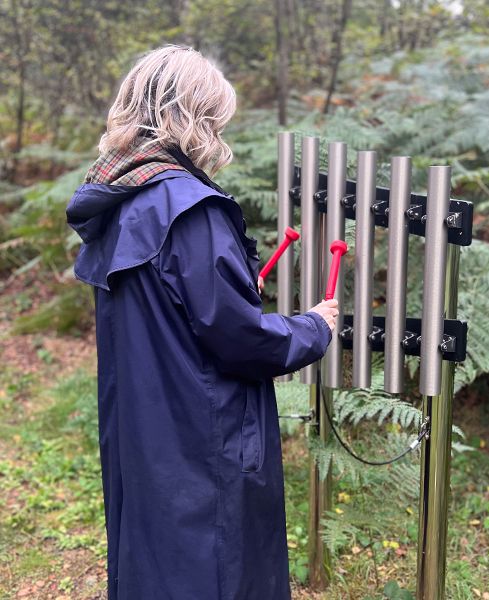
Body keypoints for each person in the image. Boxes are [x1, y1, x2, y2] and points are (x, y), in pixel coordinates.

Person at [65, 44, 338, 600]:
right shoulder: (191, 207)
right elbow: (240, 340)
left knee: (155, 565)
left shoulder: (121, 201)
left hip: (144, 435)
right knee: (212, 570)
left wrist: (233, 280)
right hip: (201, 438)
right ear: (193, 117)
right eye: (215, 117)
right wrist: (315, 325)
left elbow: (170, 308)